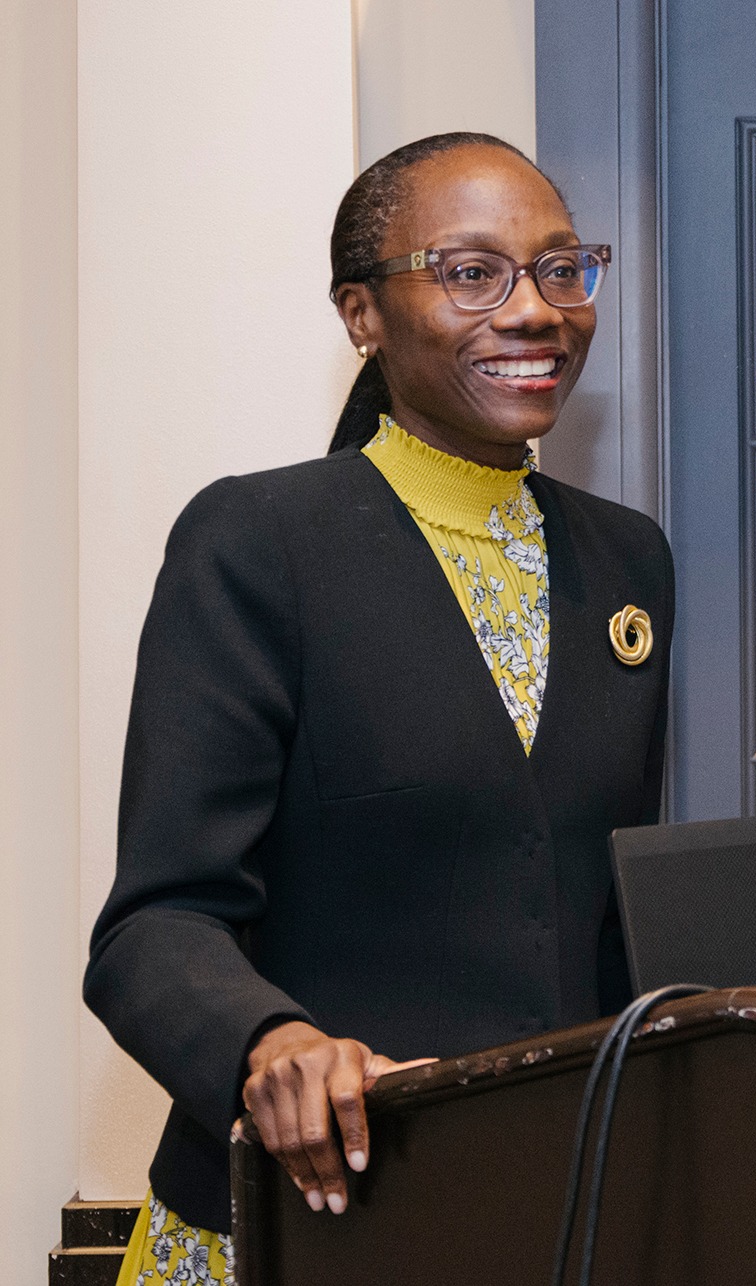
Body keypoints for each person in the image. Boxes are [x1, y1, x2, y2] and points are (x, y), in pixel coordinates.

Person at [84, 132, 673, 1285]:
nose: (535, 309)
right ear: (362, 313)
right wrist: (272, 1041)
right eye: (472, 272)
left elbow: (594, 913)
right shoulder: (262, 542)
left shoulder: (627, 559)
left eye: (561, 268)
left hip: (540, 1210)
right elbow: (156, 925)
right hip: (302, 1217)